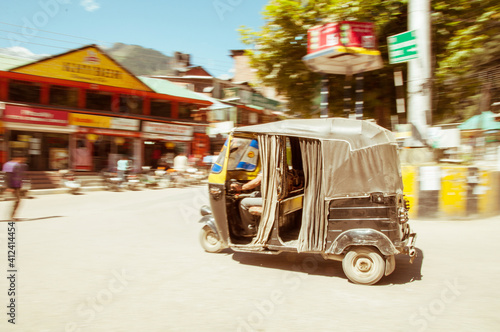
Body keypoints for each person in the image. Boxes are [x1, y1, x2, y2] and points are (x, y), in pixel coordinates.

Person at [2, 153, 28, 220]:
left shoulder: (19, 165)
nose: (24, 160)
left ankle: (12, 216)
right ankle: (11, 217)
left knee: (17, 200)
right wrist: (9, 187)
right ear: (18, 158)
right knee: (17, 201)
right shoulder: (10, 165)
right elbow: (7, 176)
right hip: (12, 186)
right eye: (23, 158)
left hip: (16, 186)